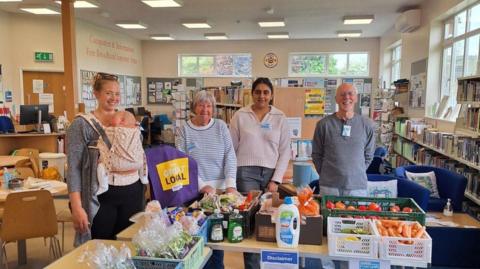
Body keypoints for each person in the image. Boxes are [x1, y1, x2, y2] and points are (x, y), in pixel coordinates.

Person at [67, 73, 146, 246]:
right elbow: (73, 168)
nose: (114, 98)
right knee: (99, 247)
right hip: (101, 197)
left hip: (133, 192)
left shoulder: (128, 120)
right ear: (96, 93)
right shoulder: (82, 124)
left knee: (128, 245)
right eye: (108, 93)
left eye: (117, 94)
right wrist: (77, 207)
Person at [310, 83, 375, 269]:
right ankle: (329, 266)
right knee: (328, 231)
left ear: (356, 97)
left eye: (350, 94)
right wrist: (327, 173)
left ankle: (350, 265)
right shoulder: (323, 125)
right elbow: (317, 154)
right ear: (336, 99)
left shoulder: (367, 125)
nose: (347, 97)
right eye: (342, 94)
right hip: (330, 186)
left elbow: (369, 156)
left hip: (357, 188)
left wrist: (355, 171)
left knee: (355, 230)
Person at [229, 77, 290, 269]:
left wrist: (276, 180)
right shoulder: (240, 115)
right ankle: (252, 266)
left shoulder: (280, 117)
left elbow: (285, 150)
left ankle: (270, 264)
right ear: (252, 93)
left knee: (270, 219)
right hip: (245, 173)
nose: (261, 96)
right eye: (258, 92)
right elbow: (231, 148)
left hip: (271, 174)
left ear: (271, 95)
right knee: (250, 220)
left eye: (266, 92)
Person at [175, 90, 237, 269]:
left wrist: (230, 185)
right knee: (196, 238)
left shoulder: (220, 126)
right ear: (194, 107)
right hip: (194, 193)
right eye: (201, 105)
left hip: (220, 194)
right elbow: (182, 162)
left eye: (209, 105)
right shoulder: (183, 129)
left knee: (217, 240)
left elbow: (230, 156)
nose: (205, 109)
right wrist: (202, 186)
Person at [96, 110, 147, 196]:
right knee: (143, 158)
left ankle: (103, 185)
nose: (110, 120)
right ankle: (144, 177)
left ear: (122, 121)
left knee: (101, 166)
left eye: (114, 117)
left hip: (116, 181)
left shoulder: (111, 132)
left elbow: (100, 142)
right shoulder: (137, 131)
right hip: (135, 173)